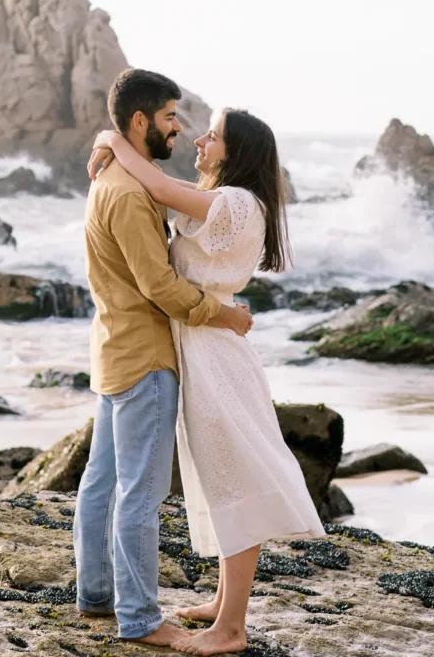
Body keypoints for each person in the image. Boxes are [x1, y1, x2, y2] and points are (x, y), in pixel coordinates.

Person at [89, 106, 326, 656]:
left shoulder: (236, 203)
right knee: (219, 477)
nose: (199, 139)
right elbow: (164, 186)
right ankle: (224, 602)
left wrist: (110, 136)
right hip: (204, 347)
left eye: (213, 135)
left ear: (234, 152)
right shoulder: (224, 199)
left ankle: (231, 630)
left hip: (216, 356)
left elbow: (154, 182)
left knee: (233, 480)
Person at [73, 69, 253, 649]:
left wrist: (107, 139)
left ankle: (96, 595)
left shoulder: (120, 178)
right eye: (172, 117)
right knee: (140, 496)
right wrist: (225, 315)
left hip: (113, 349)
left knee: (100, 483)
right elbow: (161, 286)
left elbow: (168, 196)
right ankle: (142, 620)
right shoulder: (127, 192)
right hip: (146, 359)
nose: (181, 127)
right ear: (142, 121)